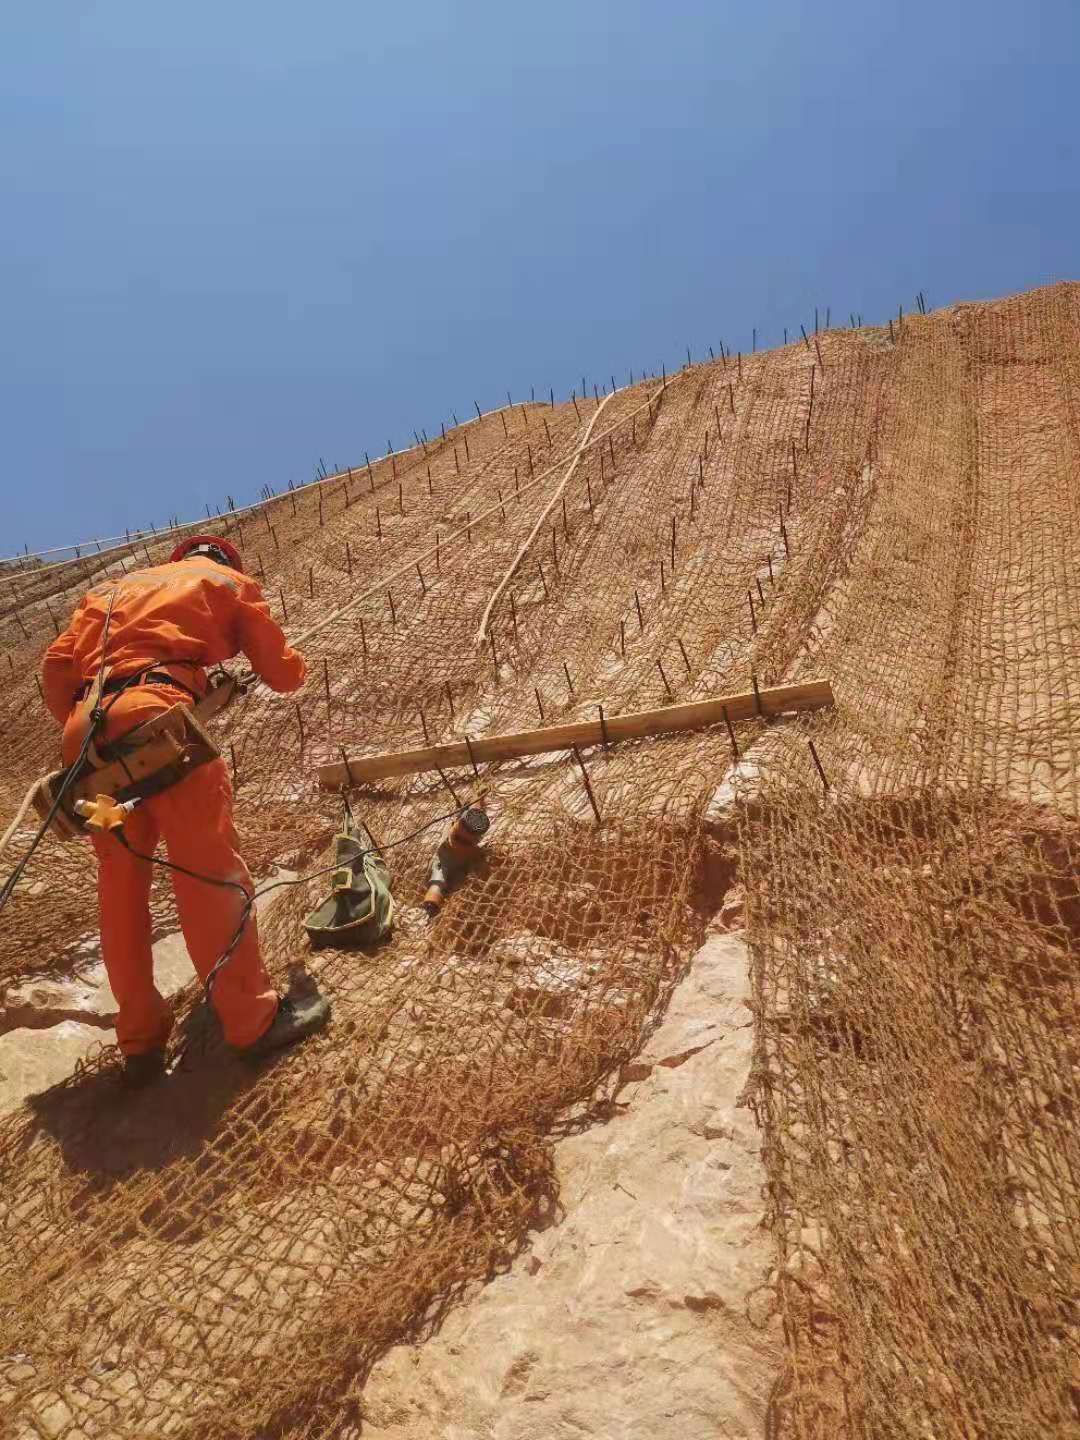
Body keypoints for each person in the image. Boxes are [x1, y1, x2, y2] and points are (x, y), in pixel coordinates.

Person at [41, 534, 330, 1086]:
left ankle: (141, 1042)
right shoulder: (226, 582)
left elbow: (57, 669)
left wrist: (88, 729)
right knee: (206, 865)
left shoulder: (108, 590)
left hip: (86, 749)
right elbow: (282, 674)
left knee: (120, 878)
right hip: (161, 728)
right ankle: (251, 1020)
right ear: (223, 561)